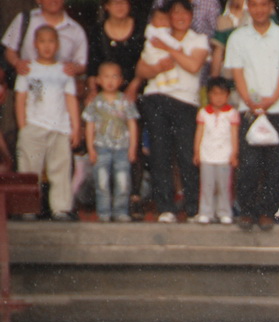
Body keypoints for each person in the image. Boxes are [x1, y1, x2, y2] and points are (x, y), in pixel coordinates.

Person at [224, 0, 279, 231]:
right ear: (249, 7)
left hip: (278, 108)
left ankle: (268, 212)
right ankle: (247, 211)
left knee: (274, 164)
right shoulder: (238, 37)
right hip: (248, 109)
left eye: (263, 5)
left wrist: (269, 100)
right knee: (249, 163)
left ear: (271, 7)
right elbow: (236, 71)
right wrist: (249, 100)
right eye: (254, 5)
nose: (259, 10)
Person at [135, 1, 208, 223]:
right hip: (156, 99)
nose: (180, 16)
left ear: (192, 15)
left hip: (185, 102)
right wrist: (158, 67)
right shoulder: (157, 36)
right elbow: (140, 69)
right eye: (176, 12)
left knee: (187, 156)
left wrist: (169, 49)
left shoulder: (198, 39)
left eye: (185, 12)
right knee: (160, 155)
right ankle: (165, 207)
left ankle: (193, 208)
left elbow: (194, 65)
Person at [14, 25, 80, 221]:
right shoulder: (28, 69)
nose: (47, 46)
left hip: (59, 127)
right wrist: (23, 127)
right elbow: (20, 99)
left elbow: (70, 99)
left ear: (57, 44)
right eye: (42, 41)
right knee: (29, 169)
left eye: (51, 41)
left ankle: (60, 209)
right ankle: (27, 209)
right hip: (34, 126)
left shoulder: (64, 70)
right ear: (35, 44)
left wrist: (75, 127)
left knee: (60, 169)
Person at [83, 61, 139, 222]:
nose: (110, 81)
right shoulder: (95, 102)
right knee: (102, 182)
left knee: (122, 181)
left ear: (121, 81)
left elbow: (132, 125)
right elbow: (89, 126)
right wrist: (91, 149)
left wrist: (132, 148)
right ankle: (104, 213)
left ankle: (120, 211)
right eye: (106, 76)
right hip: (101, 147)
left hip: (122, 147)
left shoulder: (125, 101)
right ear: (98, 80)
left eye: (114, 76)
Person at [192, 76, 239, 225]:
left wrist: (234, 153)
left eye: (222, 94)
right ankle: (206, 212)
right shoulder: (204, 113)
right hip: (207, 155)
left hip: (224, 156)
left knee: (223, 186)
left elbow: (234, 134)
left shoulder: (231, 113)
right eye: (214, 94)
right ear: (209, 95)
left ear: (227, 95)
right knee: (207, 186)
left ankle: (224, 212)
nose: (218, 98)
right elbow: (199, 133)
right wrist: (197, 151)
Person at [3, 0, 88, 81]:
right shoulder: (24, 19)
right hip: (28, 84)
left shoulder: (76, 30)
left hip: (60, 88)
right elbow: (10, 51)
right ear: (38, 0)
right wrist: (17, 63)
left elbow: (81, 64)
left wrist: (75, 68)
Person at [86, 0, 146, 102]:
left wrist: (133, 88)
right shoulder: (97, 31)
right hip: (105, 89)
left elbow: (146, 60)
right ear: (106, 6)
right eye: (115, 3)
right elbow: (92, 66)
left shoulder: (141, 29)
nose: (119, 6)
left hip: (136, 88)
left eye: (123, 2)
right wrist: (93, 91)